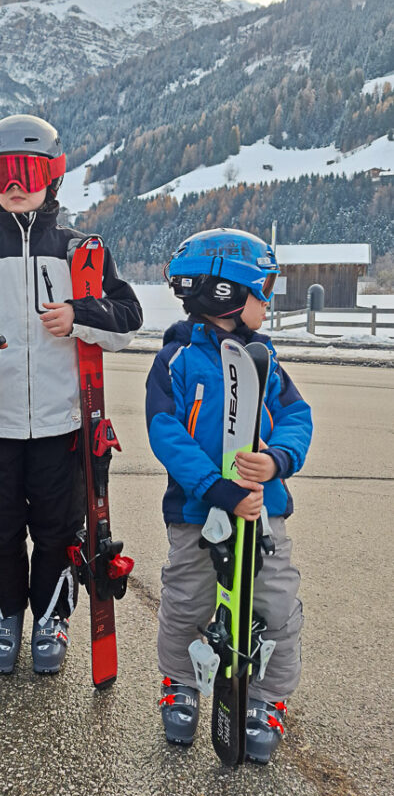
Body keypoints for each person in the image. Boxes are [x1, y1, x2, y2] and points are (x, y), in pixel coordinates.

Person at [0, 114, 142, 675]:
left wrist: (79, 315)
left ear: (54, 173)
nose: (15, 183)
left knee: (56, 530)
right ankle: (4, 617)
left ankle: (51, 617)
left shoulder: (79, 250)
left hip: (61, 426)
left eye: (27, 169)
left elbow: (126, 320)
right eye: (2, 171)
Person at [145, 227, 312, 764]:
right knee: (187, 601)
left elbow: (296, 416)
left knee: (276, 604)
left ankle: (265, 699)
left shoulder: (265, 359)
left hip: (264, 512)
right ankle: (180, 684)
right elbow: (164, 430)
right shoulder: (177, 360)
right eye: (263, 291)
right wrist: (215, 488)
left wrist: (277, 460)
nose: (268, 301)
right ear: (228, 295)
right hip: (197, 512)